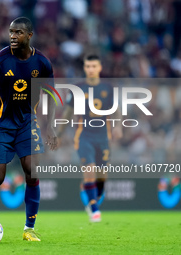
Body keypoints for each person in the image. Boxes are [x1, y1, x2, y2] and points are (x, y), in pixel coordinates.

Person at [0, 17, 57, 241]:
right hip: (0, 124)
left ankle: (29, 229)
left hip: (26, 123)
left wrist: (49, 126)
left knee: (32, 171)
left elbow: (50, 95)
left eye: (18, 32)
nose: (13, 36)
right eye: (11, 32)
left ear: (29, 36)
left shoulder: (42, 63)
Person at [57, 54, 122, 222]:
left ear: (99, 68)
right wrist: (59, 134)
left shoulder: (109, 88)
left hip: (103, 137)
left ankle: (92, 196)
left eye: (94, 66)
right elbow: (68, 112)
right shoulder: (78, 89)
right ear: (85, 68)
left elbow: (116, 110)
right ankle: (94, 209)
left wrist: (118, 126)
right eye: (88, 66)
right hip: (84, 136)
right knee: (90, 170)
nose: (91, 69)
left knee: (102, 176)